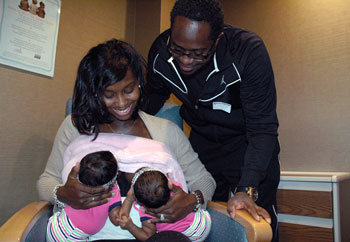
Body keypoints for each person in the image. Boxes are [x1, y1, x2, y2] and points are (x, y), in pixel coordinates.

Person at [37, 39, 216, 241]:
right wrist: (62, 194)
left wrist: (193, 200)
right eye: (109, 94)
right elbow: (46, 180)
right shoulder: (75, 126)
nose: (121, 103)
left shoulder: (167, 131)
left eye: (129, 90)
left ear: (139, 83)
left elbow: (204, 181)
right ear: (95, 92)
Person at [143, 0, 280, 240]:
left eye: (198, 53)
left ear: (216, 40)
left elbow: (263, 128)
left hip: (247, 145)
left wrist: (246, 188)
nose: (185, 60)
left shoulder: (248, 52)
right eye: (178, 49)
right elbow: (152, 99)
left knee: (257, 224)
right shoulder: (160, 53)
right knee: (206, 223)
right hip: (202, 143)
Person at [117, 167, 211, 242]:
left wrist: (131, 226)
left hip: (184, 237)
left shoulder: (146, 212)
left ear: (139, 202)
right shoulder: (175, 189)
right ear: (169, 183)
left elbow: (148, 236)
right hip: (203, 223)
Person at [46, 151, 122, 241]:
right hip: (73, 236)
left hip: (59, 225)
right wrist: (129, 200)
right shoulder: (111, 192)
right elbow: (116, 219)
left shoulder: (78, 181)